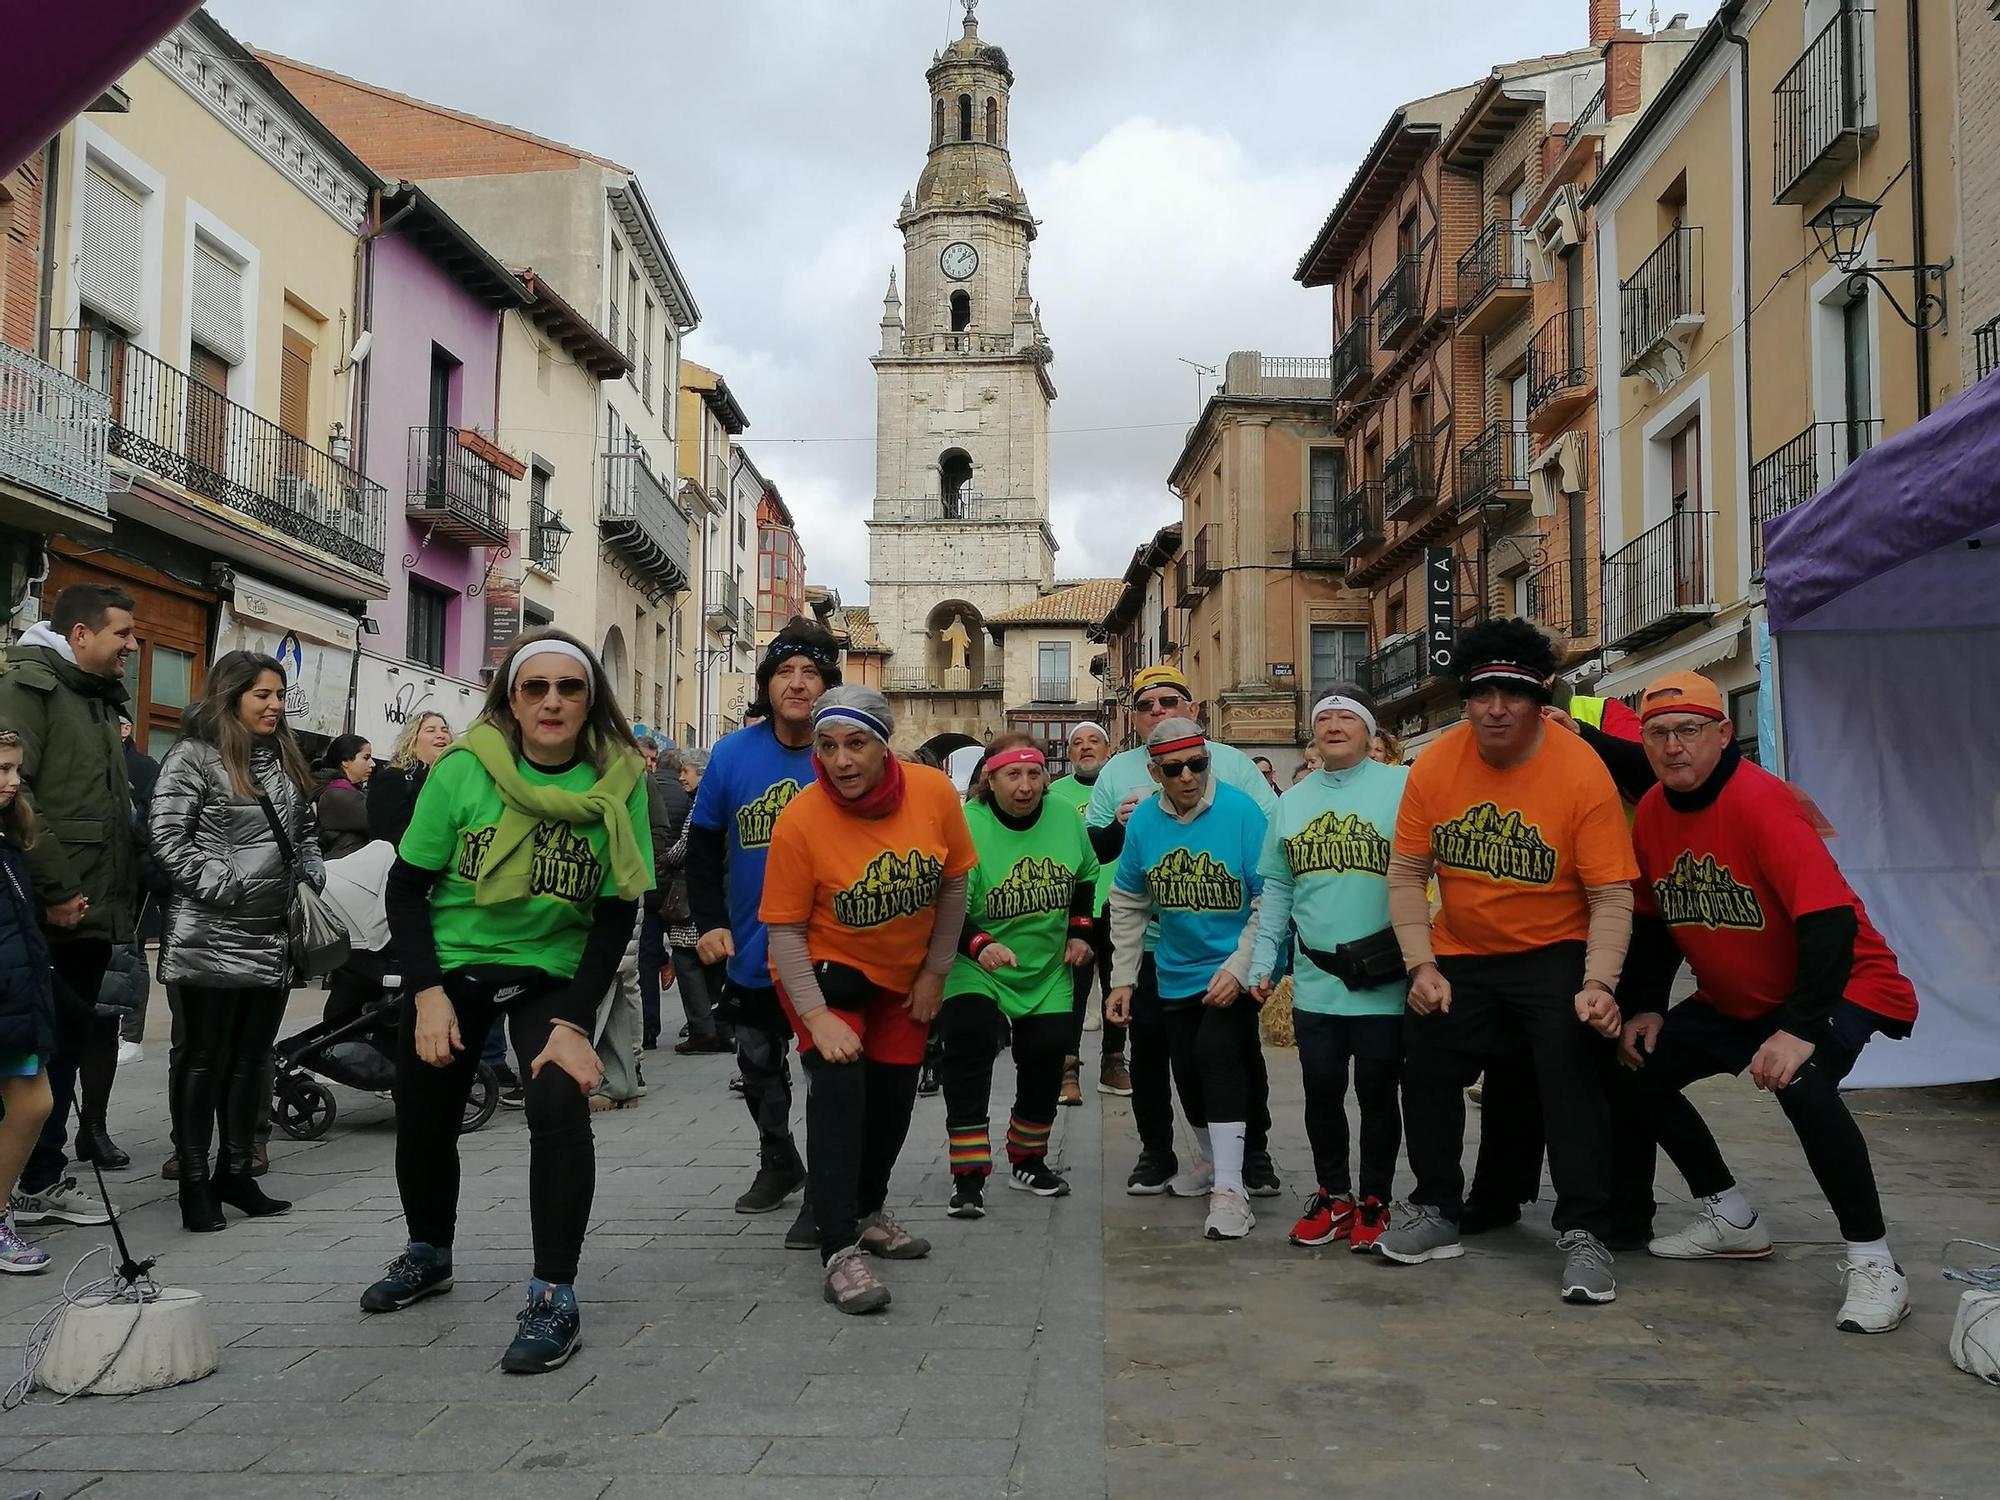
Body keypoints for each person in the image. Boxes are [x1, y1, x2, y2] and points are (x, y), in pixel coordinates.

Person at [362, 628, 651, 1375]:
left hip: (554, 964)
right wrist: (426, 994)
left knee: (558, 1102)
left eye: (570, 687)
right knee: (424, 1109)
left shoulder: (620, 779)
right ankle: (429, 1250)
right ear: (512, 701)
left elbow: (620, 907)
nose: (553, 701)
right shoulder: (463, 771)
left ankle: (555, 1292)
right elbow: (406, 886)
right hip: (455, 962)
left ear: (591, 701)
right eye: (536, 688)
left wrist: (574, 1019)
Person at [1611, 672, 1919, 1333]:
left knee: (1803, 1086)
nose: (1673, 747)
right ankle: (1730, 1216)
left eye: (1689, 730)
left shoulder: (1762, 801)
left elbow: (1830, 923)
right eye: (1658, 734)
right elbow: (1654, 923)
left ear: (1723, 734)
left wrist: (1801, 1030)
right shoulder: (1655, 815)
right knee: (1638, 1069)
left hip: (1840, 982)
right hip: (1736, 998)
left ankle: (1874, 1263)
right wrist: (1645, 1006)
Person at [1375, 618, 1636, 1305]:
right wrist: (1420, 967)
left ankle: (1583, 1231)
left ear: (1539, 696)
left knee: (1572, 1072)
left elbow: (1612, 893)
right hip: (1462, 950)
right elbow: (1406, 874)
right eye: (1482, 691)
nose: (1495, 707)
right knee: (1425, 1057)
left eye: (1512, 694)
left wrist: (1600, 983)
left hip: (1556, 950)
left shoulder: (1582, 771)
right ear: (1465, 694)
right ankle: (1436, 1207)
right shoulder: (1434, 764)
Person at [760, 686, 975, 1313]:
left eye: (856, 744)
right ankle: (836, 1249)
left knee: (893, 1103)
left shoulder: (932, 793)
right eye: (827, 747)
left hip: (904, 973)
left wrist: (936, 974)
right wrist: (817, 1017)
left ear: (885, 746)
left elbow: (954, 885)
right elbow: (783, 929)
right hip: (825, 971)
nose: (841, 761)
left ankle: (867, 1210)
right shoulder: (802, 817)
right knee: (839, 1092)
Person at [1085, 664, 1278, 1198]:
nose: (1158, 712)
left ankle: (1249, 1158)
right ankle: (1159, 1153)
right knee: (1153, 1054)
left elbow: (1270, 857)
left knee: (1229, 1052)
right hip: (1154, 941)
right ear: (1154, 771)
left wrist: (1254, 962)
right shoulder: (1114, 774)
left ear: (1192, 710)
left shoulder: (1238, 772)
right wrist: (1122, 825)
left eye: (1169, 702)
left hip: (1226, 942)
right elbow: (1103, 858)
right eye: (1147, 705)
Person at [149, 650, 325, 1232]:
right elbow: (167, 838)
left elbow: (304, 830)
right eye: (262, 696)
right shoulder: (193, 756)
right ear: (231, 697)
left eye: (279, 695)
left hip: (271, 935)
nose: (275, 705)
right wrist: (229, 886)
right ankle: (195, 1183)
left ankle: (236, 1172)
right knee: (203, 1059)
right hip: (210, 933)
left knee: (252, 1060)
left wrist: (309, 870)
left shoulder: (282, 758)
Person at [688, 619, 841, 1238]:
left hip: (829, 944)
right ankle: (777, 1156)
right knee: (757, 1061)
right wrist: (709, 922)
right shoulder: (731, 754)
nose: (798, 684)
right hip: (753, 943)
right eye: (785, 672)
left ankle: (828, 1189)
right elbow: (701, 848)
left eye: (811, 673)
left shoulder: (844, 750)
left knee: (826, 1071)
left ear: (828, 684)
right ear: (766, 684)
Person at [0, 583, 139, 1233]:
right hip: (52, 908)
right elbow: (17, 793)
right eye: (122, 634)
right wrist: (55, 890)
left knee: (65, 1045)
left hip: (90, 907)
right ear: (80, 635)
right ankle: (27, 1182)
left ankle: (41, 1176)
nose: (132, 647)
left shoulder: (94, 696)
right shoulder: (31, 686)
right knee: (36, 1051)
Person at [1248, 688, 1407, 1252]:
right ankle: (1333, 1195)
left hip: (1385, 975)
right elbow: (1278, 889)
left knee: (1378, 1092)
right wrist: (1264, 963)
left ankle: (1376, 1199)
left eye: (1347, 716)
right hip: (1318, 979)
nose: (1334, 725)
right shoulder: (1292, 802)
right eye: (1323, 717)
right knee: (1320, 1092)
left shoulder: (1402, 787)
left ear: (1371, 732)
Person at [941, 732, 1098, 1219]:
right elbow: (944, 908)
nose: (1025, 786)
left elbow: (1086, 878)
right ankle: (967, 1176)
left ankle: (1028, 1158)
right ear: (991, 780)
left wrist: (1079, 933)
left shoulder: (1063, 819)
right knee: (968, 1045)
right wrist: (980, 945)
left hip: (1046, 965)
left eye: (1034, 774)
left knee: (1047, 1053)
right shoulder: (968, 825)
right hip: (978, 964)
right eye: (1013, 775)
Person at [1045, 722, 1129, 1106]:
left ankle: (1114, 1061)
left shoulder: (1122, 794)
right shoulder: (1054, 795)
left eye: (1094, 740)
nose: (1085, 747)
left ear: (1108, 749)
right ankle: (1067, 1067)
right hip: (1074, 910)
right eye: (1076, 742)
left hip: (1120, 908)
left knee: (1119, 987)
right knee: (1072, 992)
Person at [0, 730, 56, 1273]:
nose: (14, 782)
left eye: (15, 770)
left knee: (34, 1102)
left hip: (15, 999)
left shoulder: (8, 840)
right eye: (1, 770)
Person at [661, 747, 729, 1055]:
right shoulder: (719, 796)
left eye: (686, 771)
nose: (681, 777)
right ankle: (722, 1026)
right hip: (714, 892)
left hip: (691, 894)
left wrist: (666, 859)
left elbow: (689, 843)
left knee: (687, 961)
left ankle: (704, 1029)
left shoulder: (704, 801)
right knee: (714, 966)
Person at [367, 711, 453, 846]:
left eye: (445, 730)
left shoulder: (451, 782)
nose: (441, 735)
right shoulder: (395, 778)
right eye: (431, 730)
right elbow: (385, 834)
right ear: (412, 740)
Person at [316, 734, 375, 861]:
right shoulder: (338, 794)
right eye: (366, 758)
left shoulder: (341, 790)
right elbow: (379, 822)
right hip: (345, 865)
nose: (373, 764)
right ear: (345, 762)